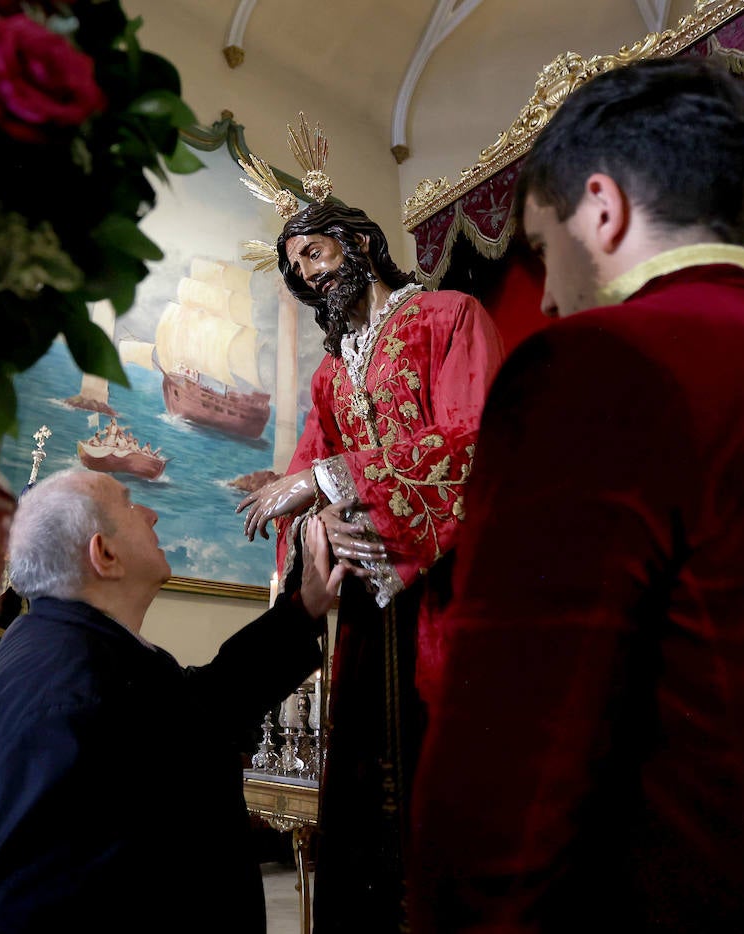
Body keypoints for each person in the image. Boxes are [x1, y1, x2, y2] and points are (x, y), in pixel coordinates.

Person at [409, 57, 744, 933]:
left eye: (544, 256)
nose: (547, 306)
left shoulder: (595, 369)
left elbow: (507, 785)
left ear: (603, 211)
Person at [236, 201, 504, 931]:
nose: (307, 275)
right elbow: (307, 466)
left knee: (443, 773)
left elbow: (478, 442)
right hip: (367, 597)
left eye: (315, 254)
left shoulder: (448, 317)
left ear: (358, 243)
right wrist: (300, 506)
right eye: (296, 268)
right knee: (366, 794)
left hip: (446, 588)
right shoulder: (329, 376)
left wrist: (330, 481)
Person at [0, 468, 344, 933]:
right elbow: (16, 911)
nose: (151, 514)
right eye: (131, 505)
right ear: (105, 554)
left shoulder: (69, 644)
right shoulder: (73, 697)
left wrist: (304, 607)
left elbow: (199, 710)